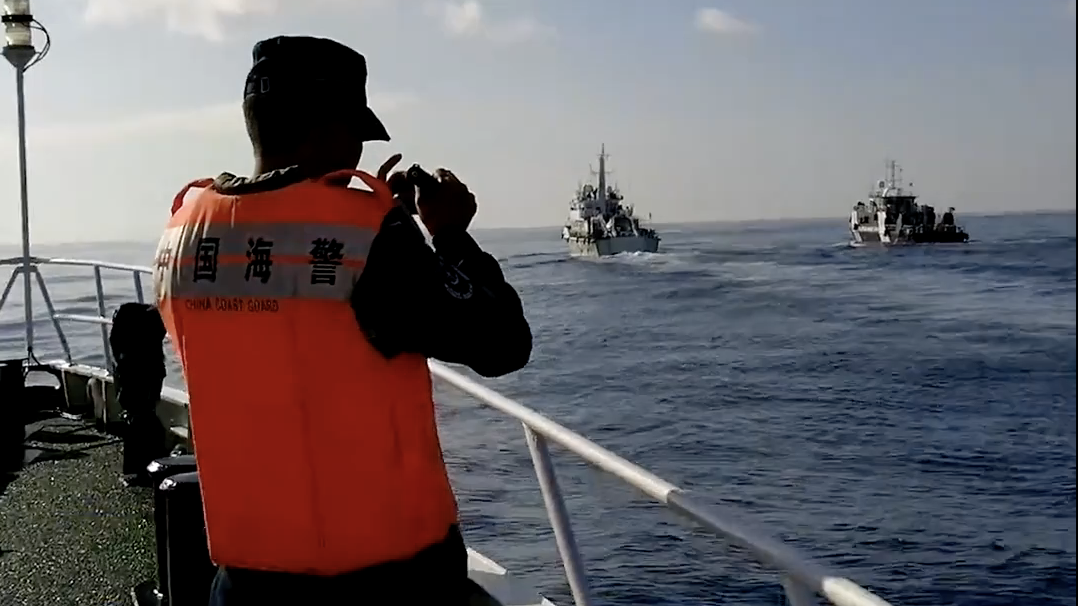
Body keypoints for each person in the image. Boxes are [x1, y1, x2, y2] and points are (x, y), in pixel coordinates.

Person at [152, 35, 532, 605]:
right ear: (327, 128)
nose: (356, 151)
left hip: (248, 578)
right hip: (387, 581)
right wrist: (450, 235)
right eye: (355, 132)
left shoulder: (183, 232)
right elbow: (502, 342)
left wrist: (371, 217)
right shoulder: (370, 237)